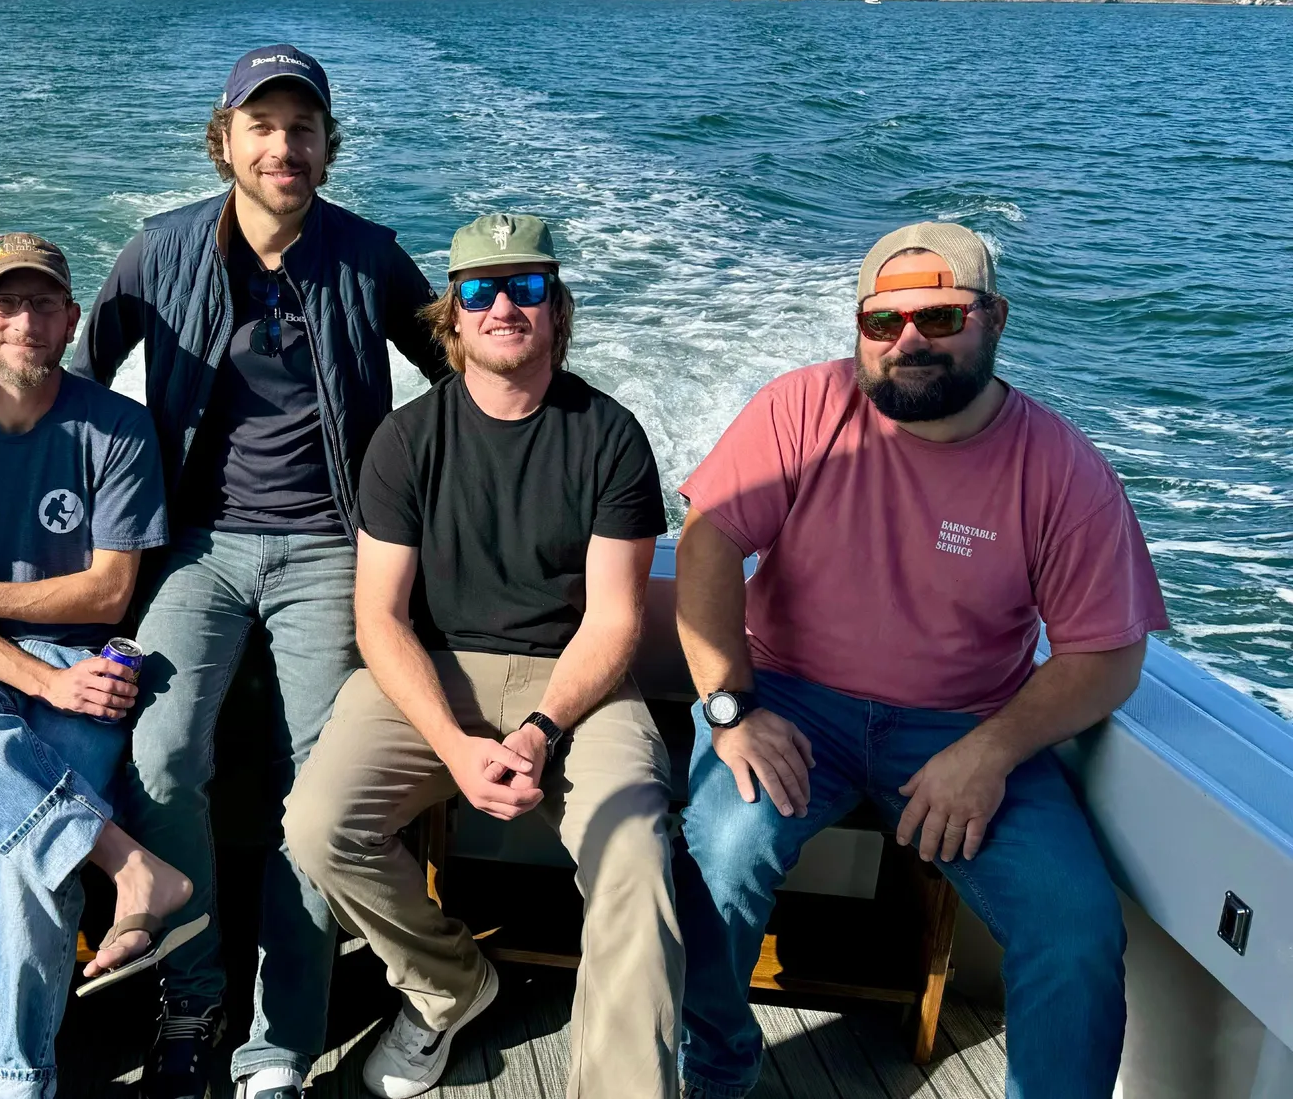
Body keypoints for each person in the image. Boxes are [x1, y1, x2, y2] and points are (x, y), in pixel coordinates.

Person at [673, 222, 1167, 1099]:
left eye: (939, 318)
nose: (908, 340)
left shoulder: (1062, 469)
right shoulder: (801, 407)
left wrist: (990, 752)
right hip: (788, 698)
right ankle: (714, 1074)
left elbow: (1107, 655)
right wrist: (731, 707)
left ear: (995, 318)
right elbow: (710, 542)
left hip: (969, 724)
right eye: (883, 321)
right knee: (722, 852)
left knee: (1075, 926)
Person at [73, 45, 448, 1099]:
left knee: (316, 787)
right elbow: (81, 382)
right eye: (262, 126)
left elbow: (463, 377)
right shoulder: (158, 251)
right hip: (195, 543)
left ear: (328, 147)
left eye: (303, 128)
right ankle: (192, 999)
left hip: (333, 545)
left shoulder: (368, 257)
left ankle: (280, 1040)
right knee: (160, 757)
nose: (284, 146)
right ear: (224, 141)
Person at [286, 212, 683, 1099]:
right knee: (318, 825)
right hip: (433, 671)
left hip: (575, 681)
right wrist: (455, 746)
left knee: (634, 854)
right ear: (453, 317)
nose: (504, 306)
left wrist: (541, 729)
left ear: (557, 309)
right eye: (480, 291)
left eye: (527, 287)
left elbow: (615, 619)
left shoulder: (610, 435)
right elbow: (380, 618)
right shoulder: (406, 439)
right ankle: (449, 985)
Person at [0, 233, 201, 1099]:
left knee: (27, 847)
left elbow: (108, 590)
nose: (23, 320)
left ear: (70, 321)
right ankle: (128, 862)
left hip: (91, 666)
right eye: (4, 304)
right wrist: (38, 678)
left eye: (42, 304)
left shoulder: (118, 428)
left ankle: (16, 1080)